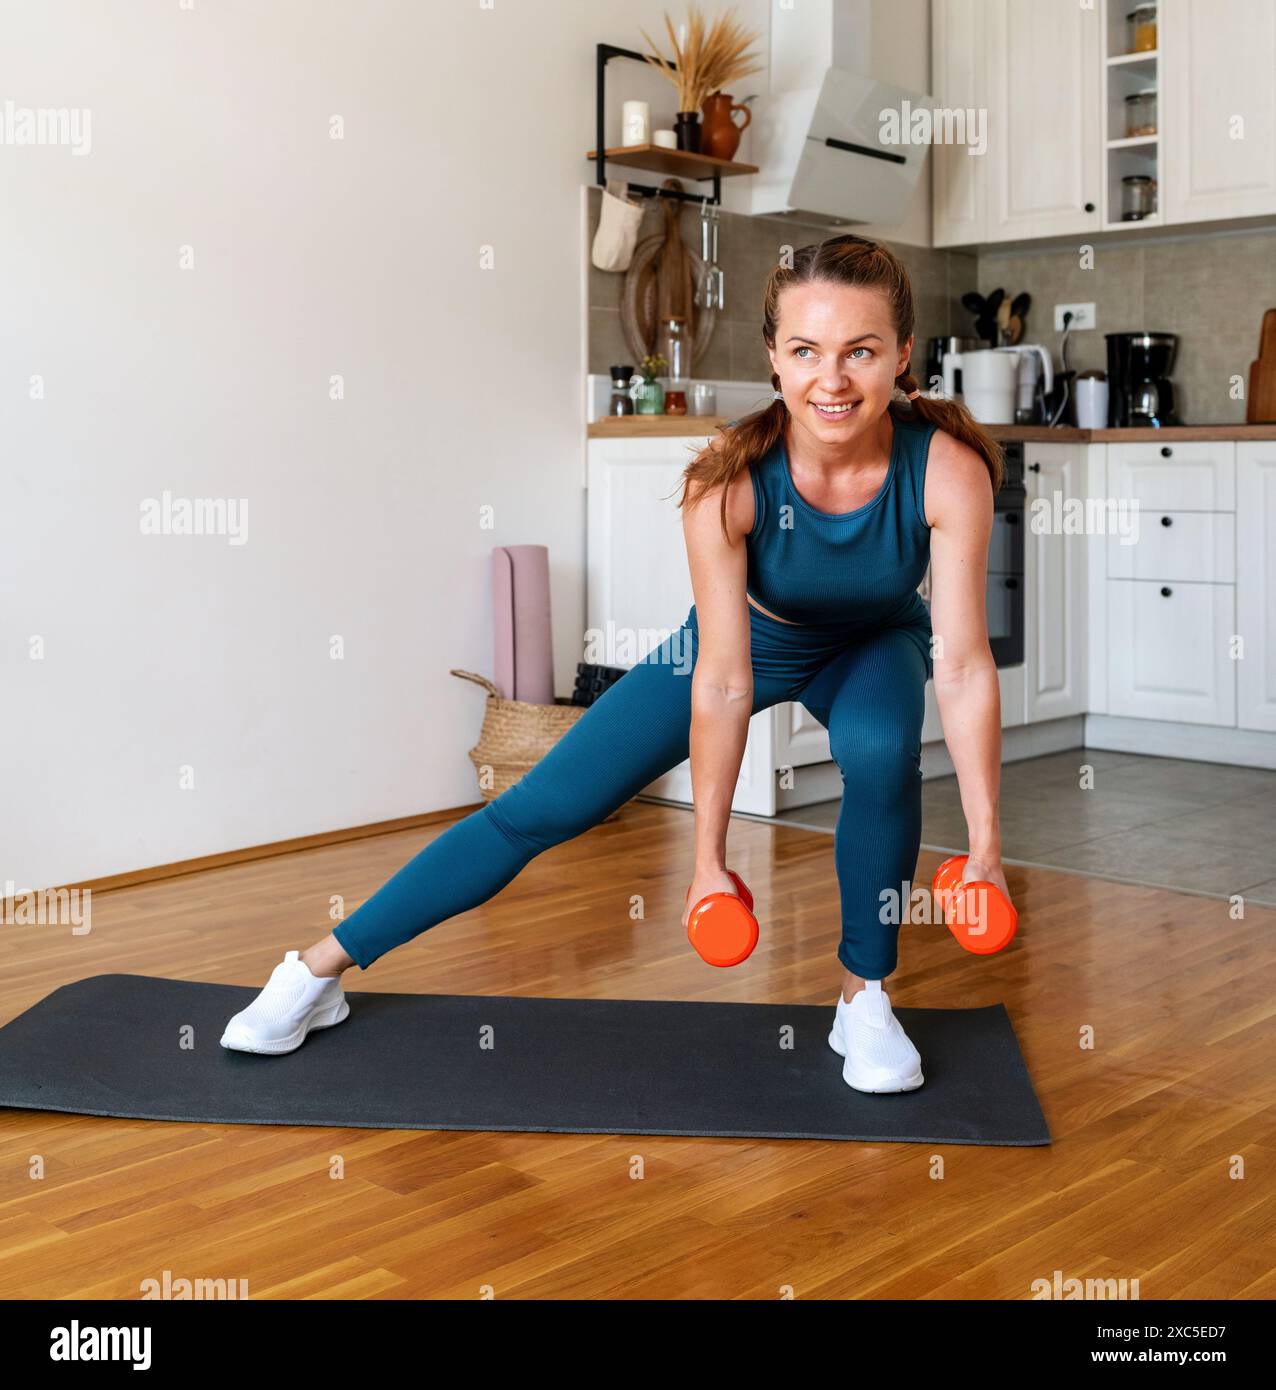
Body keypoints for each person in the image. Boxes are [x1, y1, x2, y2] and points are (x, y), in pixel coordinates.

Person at [221, 234, 1013, 1093]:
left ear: (902, 354)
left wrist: (985, 849)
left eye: (860, 351)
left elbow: (963, 667)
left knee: (880, 749)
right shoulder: (730, 480)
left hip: (874, 642)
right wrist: (709, 861)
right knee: (544, 805)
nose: (833, 379)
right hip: (747, 638)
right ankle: (317, 971)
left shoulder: (946, 468)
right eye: (805, 351)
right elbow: (723, 681)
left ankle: (864, 999)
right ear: (772, 358)